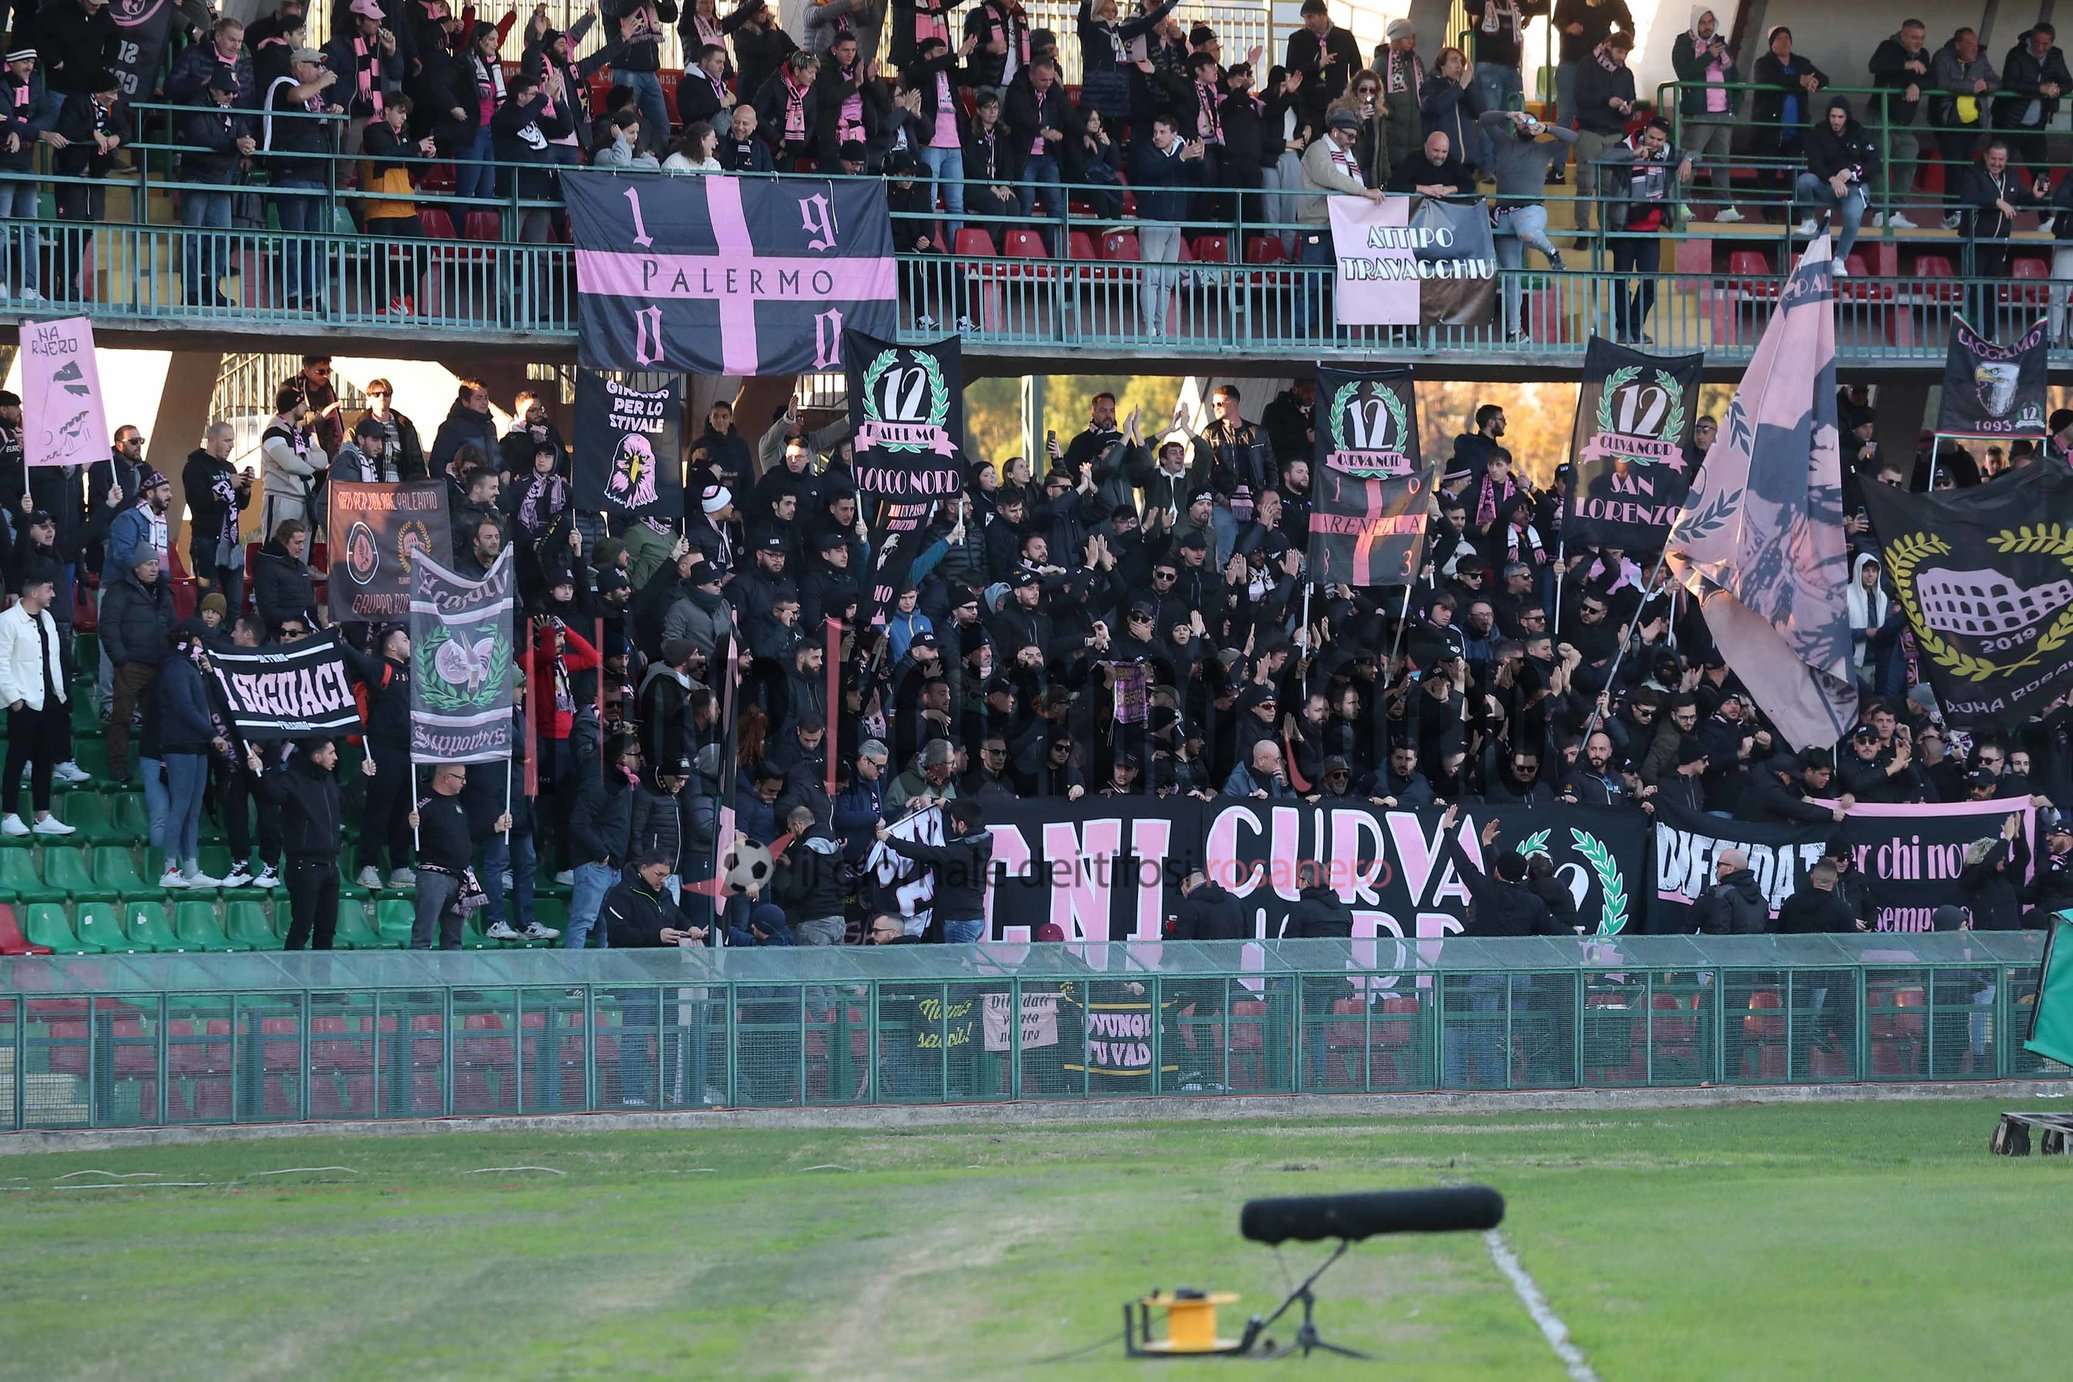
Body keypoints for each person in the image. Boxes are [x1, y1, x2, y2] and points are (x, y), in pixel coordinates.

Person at [250, 736, 368, 950]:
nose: (336, 757)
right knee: (302, 927)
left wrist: (363, 776)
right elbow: (271, 794)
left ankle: (321, 980)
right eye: (331, 753)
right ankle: (291, 980)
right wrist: (259, 773)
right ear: (316, 756)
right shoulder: (292, 780)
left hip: (331, 866)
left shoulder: (328, 780)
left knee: (327, 929)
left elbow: (343, 800)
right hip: (305, 865)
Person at [1478, 110, 1575, 342]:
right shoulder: (1504, 143)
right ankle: (1515, 331)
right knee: (1511, 275)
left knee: (1527, 232)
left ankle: (1551, 252)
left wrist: (1547, 128)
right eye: (1523, 121)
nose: (1526, 125)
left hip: (1531, 209)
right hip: (1503, 213)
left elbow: (1574, 138)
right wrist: (1508, 114)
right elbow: (1484, 120)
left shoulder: (1544, 148)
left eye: (1530, 121)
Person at [0, 566, 75, 838]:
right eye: (49, 589)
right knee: (17, 759)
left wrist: (61, 694)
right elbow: (1, 663)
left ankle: (42, 815)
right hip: (24, 701)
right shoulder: (8, 621)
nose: (53, 594)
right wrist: (15, 700)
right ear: (34, 591)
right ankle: (8, 814)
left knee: (46, 760)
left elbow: (53, 659)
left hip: (50, 700)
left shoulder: (48, 619)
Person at [153, 626, 224, 889]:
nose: (200, 645)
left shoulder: (192, 668)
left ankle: (191, 868)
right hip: (179, 744)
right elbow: (184, 707)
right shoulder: (174, 668)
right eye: (197, 640)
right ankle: (169, 869)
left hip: (197, 745)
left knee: (193, 811)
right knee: (180, 807)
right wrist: (212, 733)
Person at [99, 551, 173, 785]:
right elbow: (108, 626)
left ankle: (151, 762)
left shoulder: (163, 590)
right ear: (135, 567)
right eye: (148, 564)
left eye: (155, 564)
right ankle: (117, 765)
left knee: (156, 718)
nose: (153, 568)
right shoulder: (119, 590)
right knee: (122, 718)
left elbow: (171, 624)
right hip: (131, 665)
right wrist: (121, 659)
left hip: (158, 663)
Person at [873, 796, 992, 941]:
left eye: (953, 823)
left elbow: (925, 852)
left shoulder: (961, 853)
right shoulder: (985, 838)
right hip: (971, 918)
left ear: (962, 825)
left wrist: (890, 840)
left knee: (959, 964)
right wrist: (947, 806)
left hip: (960, 923)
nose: (951, 826)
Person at [407, 761, 492, 949]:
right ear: (446, 778)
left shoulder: (458, 805)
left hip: (459, 877)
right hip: (433, 876)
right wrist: (411, 825)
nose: (464, 782)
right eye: (460, 777)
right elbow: (406, 836)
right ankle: (418, 977)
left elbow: (469, 836)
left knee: (454, 939)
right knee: (423, 935)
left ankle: (453, 977)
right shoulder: (423, 804)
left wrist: (495, 827)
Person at [1671, 8, 1740, 220]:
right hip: (1699, 112)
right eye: (1702, 22)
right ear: (1694, 23)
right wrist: (1708, 56)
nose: (1707, 26)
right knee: (1690, 159)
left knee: (1721, 162)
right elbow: (1684, 73)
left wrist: (1734, 107)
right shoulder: (1683, 43)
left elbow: (1734, 76)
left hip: (1723, 113)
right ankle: (1680, 203)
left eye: (1710, 22)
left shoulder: (1720, 43)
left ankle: (1725, 207)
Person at [1930, 26, 1998, 228]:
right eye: (1969, 44)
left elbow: (1997, 81)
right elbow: (1943, 83)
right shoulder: (1943, 56)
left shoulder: (1981, 58)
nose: (1974, 48)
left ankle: (1964, 210)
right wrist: (1972, 87)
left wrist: (1986, 86)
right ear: (1958, 44)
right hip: (1949, 122)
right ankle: (1951, 214)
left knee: (1967, 168)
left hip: (1973, 124)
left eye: (1975, 44)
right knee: (1954, 168)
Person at [1697, 847, 1767, 934]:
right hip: (1754, 947)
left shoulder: (1719, 895)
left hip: (1720, 947)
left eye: (1719, 864)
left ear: (1730, 869)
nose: (1716, 867)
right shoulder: (1762, 900)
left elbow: (1717, 935)